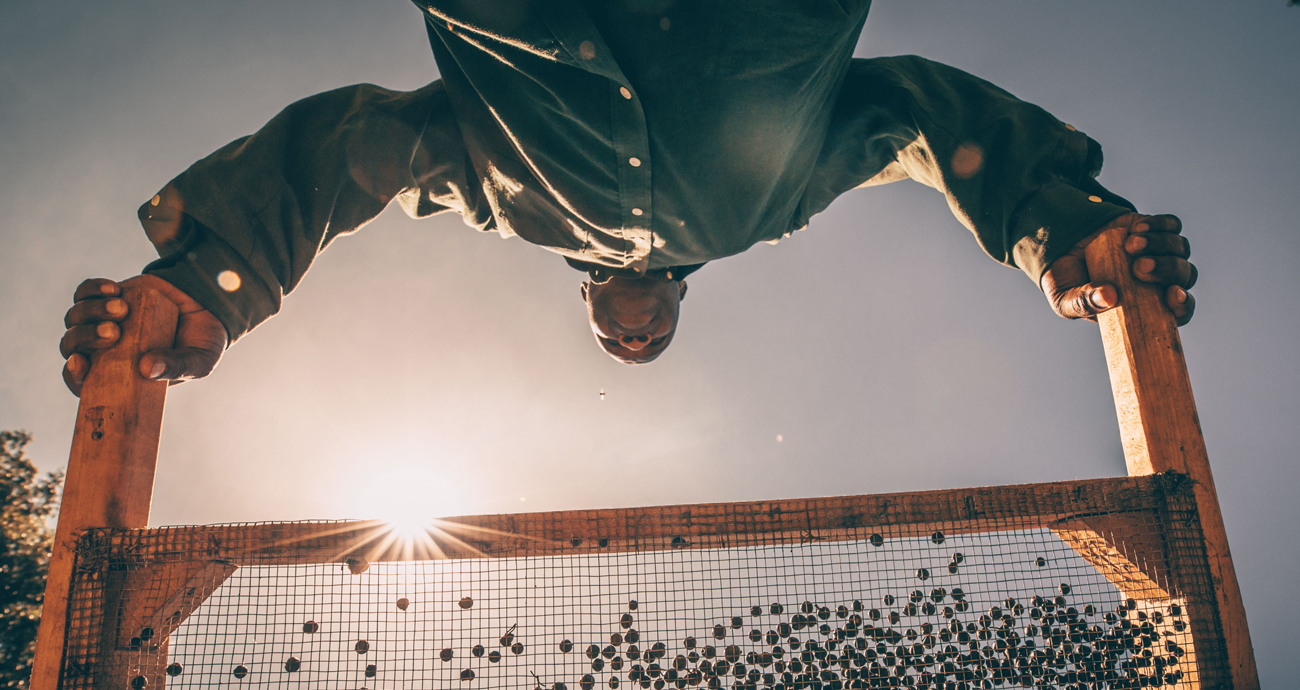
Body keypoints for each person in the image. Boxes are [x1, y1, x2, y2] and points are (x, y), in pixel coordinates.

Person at [59, 2, 1196, 395]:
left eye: (621, 342)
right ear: (673, 313)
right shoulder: (766, 210)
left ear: (594, 315)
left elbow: (360, 147)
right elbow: (910, 110)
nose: (631, 332)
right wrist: (1063, 225)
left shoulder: (509, 203)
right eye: (646, 341)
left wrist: (213, 275)